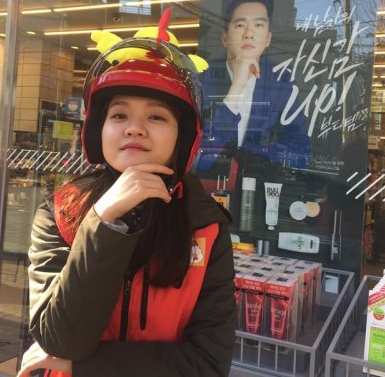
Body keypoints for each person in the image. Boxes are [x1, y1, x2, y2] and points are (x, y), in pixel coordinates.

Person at [17, 30, 236, 376]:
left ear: (182, 136)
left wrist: (85, 367)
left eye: (156, 116)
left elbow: (208, 364)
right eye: (119, 115)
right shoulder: (60, 213)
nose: (134, 128)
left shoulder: (206, 227)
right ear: (98, 129)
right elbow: (61, 340)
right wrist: (103, 220)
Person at [198, 0, 311, 171]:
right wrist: (236, 87)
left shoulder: (281, 82)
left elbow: (301, 153)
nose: (249, 33)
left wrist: (252, 155)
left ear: (268, 39)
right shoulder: (202, 80)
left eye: (259, 25)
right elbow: (200, 158)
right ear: (225, 38)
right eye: (240, 25)